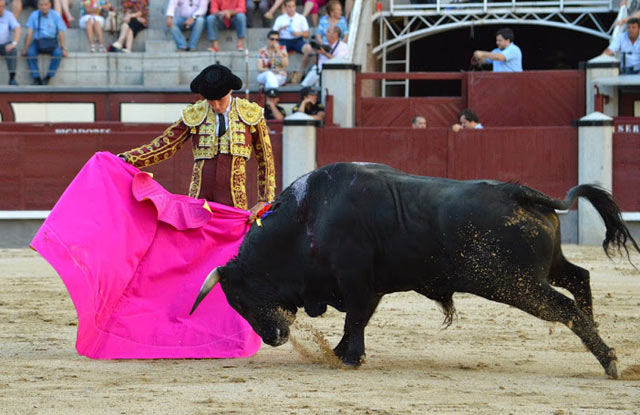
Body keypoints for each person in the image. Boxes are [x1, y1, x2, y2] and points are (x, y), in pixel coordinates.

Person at [118, 64, 276, 221]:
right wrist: (127, 159)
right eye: (210, 101)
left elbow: (266, 159)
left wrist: (264, 200)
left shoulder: (251, 114)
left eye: (219, 100)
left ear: (230, 91)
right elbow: (165, 145)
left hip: (235, 201)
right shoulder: (195, 113)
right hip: (199, 200)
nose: (215, 105)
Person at [22, 0, 67, 85]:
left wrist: (63, 48)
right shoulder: (34, 15)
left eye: (46, 4)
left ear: (50, 5)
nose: (43, 7)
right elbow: (29, 33)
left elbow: (61, 33)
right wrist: (25, 48)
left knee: (58, 53)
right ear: (38, 6)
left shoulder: (56, 15)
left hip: (52, 41)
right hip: (38, 41)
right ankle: (37, 78)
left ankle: (48, 77)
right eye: (41, 5)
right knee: (30, 52)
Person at [272, 0, 313, 81]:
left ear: (295, 7)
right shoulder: (280, 19)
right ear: (285, 7)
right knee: (275, 50)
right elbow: (273, 34)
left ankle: (301, 72)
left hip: (298, 40)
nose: (291, 8)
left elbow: (307, 34)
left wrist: (299, 33)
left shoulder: (301, 18)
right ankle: (280, 75)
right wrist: (281, 29)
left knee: (308, 49)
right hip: (284, 41)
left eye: (293, 6)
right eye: (289, 6)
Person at [0, 0, 21, 85]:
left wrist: (14, 43)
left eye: (2, 6)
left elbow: (18, 29)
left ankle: (12, 78)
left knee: (13, 50)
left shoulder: (8, 15)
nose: (1, 9)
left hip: (5, 44)